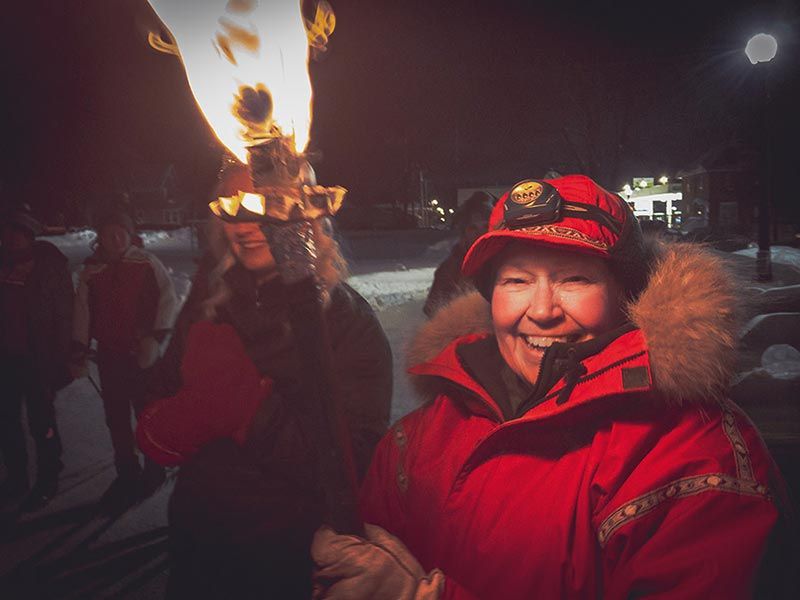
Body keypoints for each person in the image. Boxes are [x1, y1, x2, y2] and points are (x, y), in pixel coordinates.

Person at [312, 175, 789, 599]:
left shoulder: (694, 452)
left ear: (627, 299)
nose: (541, 310)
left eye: (573, 279)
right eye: (516, 280)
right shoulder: (416, 441)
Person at [135, 181, 393, 599]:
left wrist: (253, 412)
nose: (245, 226)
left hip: (287, 558)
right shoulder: (209, 304)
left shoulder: (345, 321)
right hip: (199, 545)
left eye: (264, 206)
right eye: (233, 208)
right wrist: (171, 420)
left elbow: (357, 466)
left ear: (304, 215)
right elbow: (162, 392)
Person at [71, 209, 178, 513]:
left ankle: (155, 468)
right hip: (110, 356)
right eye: (109, 233)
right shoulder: (91, 272)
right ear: (100, 237)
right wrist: (79, 348)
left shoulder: (146, 263)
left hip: (142, 354)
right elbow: (82, 311)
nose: (116, 238)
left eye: (121, 232)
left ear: (130, 234)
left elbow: (168, 299)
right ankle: (127, 472)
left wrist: (155, 338)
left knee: (147, 413)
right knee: (116, 418)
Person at [0, 204, 73, 512]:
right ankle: (17, 477)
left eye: (19, 232)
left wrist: (62, 359)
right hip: (6, 359)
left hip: (38, 359)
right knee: (7, 422)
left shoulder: (49, 266)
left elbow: (65, 315)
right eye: (8, 232)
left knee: (41, 421)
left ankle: (48, 476)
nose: (12, 238)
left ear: (30, 235)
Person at [423, 191, 493, 317]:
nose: (480, 233)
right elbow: (433, 312)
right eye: (473, 228)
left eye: (485, 226)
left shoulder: (506, 262)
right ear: (464, 233)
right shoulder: (450, 269)